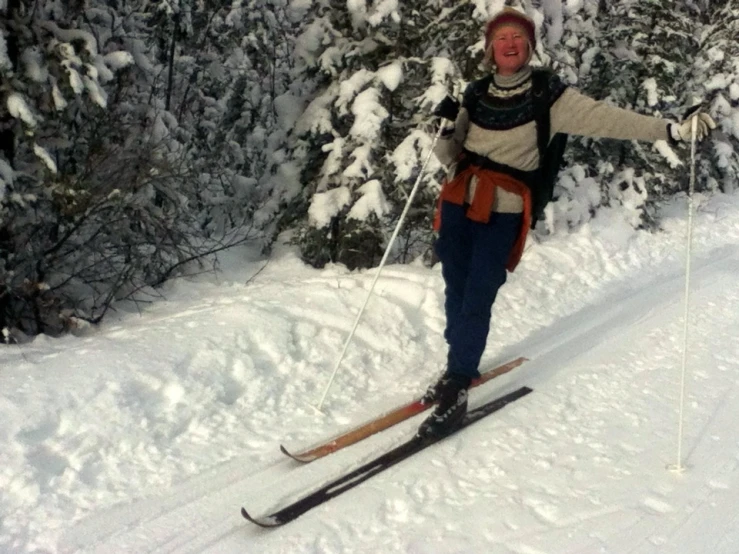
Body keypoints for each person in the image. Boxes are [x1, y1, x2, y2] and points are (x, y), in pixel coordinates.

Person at [417, 7, 716, 439]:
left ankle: (460, 382)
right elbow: (449, 156)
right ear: (489, 48)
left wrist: (670, 130)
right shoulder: (476, 93)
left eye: (517, 37)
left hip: (503, 210)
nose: (509, 44)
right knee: (456, 288)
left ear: (530, 46)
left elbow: (608, 118)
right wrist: (445, 130)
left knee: (478, 293)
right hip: (459, 204)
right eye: (501, 38)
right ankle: (455, 366)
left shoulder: (548, 96)